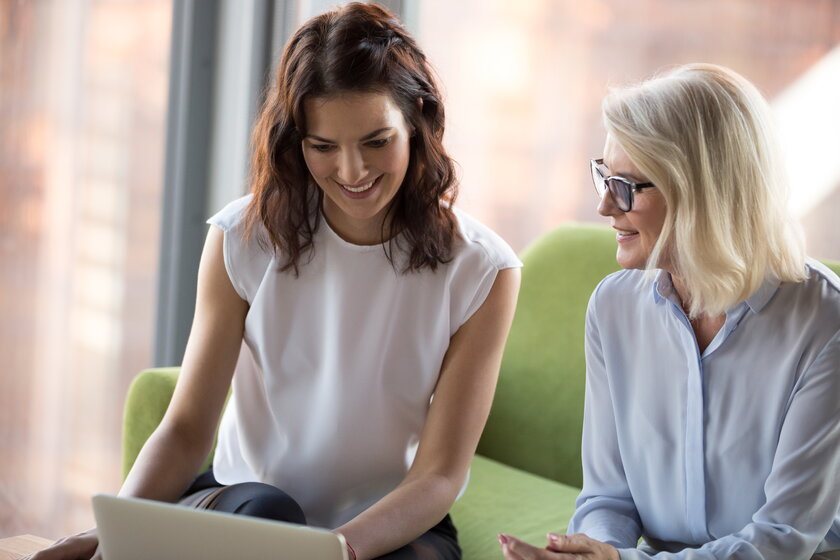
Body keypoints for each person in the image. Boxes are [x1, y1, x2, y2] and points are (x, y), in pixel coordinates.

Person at [32, 4, 521, 560]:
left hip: (384, 526)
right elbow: (189, 427)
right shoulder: (242, 237)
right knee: (269, 516)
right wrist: (111, 534)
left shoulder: (483, 269)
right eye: (324, 147)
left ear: (419, 120)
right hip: (244, 502)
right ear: (297, 141)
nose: (353, 172)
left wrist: (334, 551)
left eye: (377, 141)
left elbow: (437, 476)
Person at [498, 63, 840, 560]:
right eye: (604, 177)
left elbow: (783, 540)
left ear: (704, 193)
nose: (604, 208)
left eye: (626, 187)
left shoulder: (823, 322)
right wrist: (592, 552)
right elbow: (607, 496)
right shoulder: (613, 308)